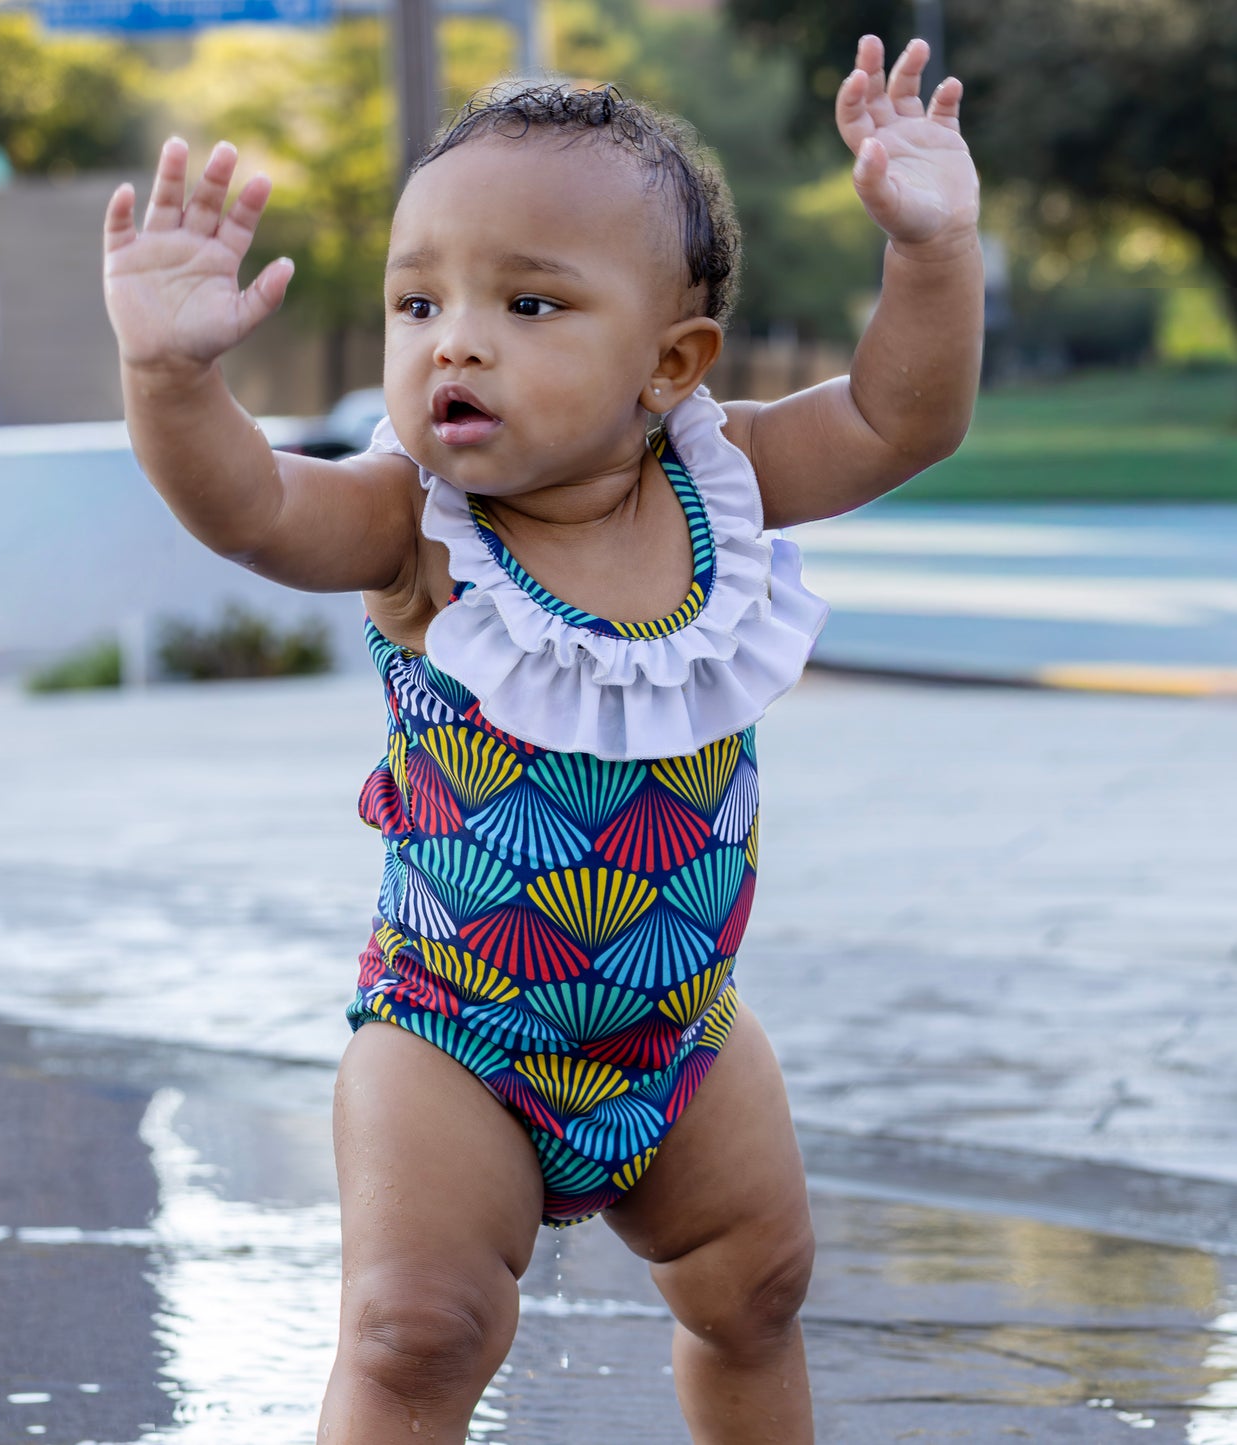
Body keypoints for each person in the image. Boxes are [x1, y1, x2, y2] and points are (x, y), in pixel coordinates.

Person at [103, 34, 981, 1444]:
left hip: (680, 1031)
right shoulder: (414, 524)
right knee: (416, 1330)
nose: (453, 340)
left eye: (527, 302)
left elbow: (902, 417)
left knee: (756, 1293)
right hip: (454, 1033)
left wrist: (931, 251)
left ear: (669, 363)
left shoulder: (724, 483)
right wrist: (170, 378)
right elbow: (253, 508)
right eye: (417, 301)